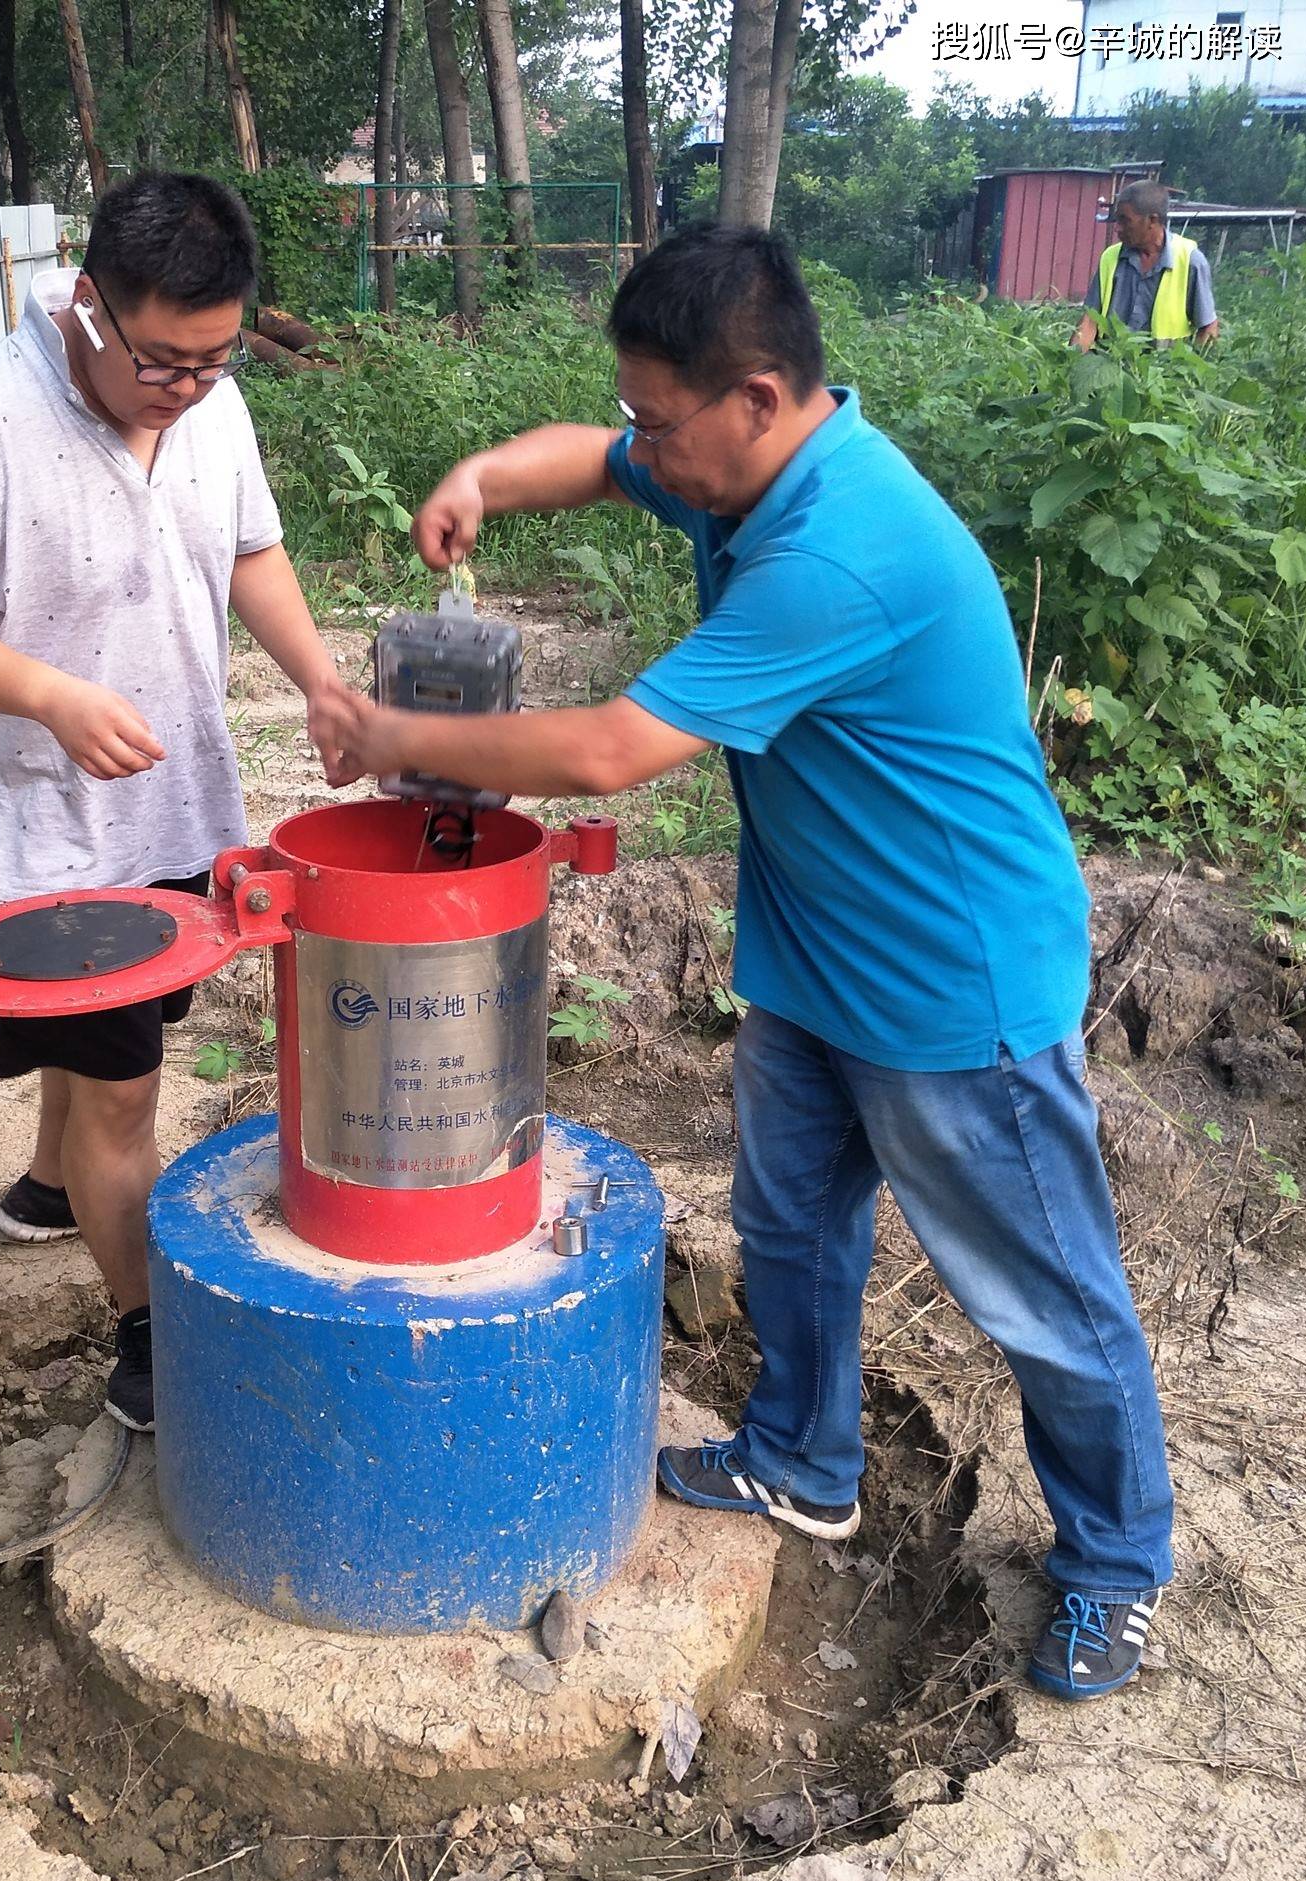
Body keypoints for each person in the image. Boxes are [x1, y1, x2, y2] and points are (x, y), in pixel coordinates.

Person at [314, 223, 1175, 1702]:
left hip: (952, 983)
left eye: (667, 419)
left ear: (760, 398)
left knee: (1042, 1291)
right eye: (643, 410)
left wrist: (395, 742)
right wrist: (481, 477)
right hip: (815, 954)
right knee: (789, 1230)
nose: (649, 444)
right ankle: (802, 1459)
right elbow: (592, 453)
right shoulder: (738, 459)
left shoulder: (841, 551)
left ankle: (1115, 1562)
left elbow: (607, 750)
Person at [0, 171, 351, 1434]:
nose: (189, 386)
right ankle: (147, 1337)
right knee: (125, 1089)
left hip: (178, 800)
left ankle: (43, 1188)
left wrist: (319, 681)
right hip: (51, 832)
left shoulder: (214, 405)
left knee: (108, 1056)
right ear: (89, 305)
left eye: (216, 358)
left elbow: (253, 550)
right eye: (164, 361)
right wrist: (45, 694)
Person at [1071, 179, 1219, 350]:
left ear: (1152, 221)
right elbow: (1090, 320)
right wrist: (1071, 362)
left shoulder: (1190, 261)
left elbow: (1208, 327)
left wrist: (1193, 372)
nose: (1117, 228)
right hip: (1111, 366)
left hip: (1163, 372)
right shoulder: (1110, 257)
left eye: (1125, 220)